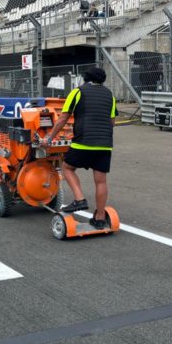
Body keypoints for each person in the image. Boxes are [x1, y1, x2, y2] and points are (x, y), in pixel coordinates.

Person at [43, 68, 116, 230]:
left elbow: (63, 118)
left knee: (67, 167)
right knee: (101, 180)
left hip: (83, 142)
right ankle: (100, 218)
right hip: (104, 144)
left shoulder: (77, 92)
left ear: (85, 78)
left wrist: (49, 138)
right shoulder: (109, 95)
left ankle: (79, 198)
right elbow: (112, 122)